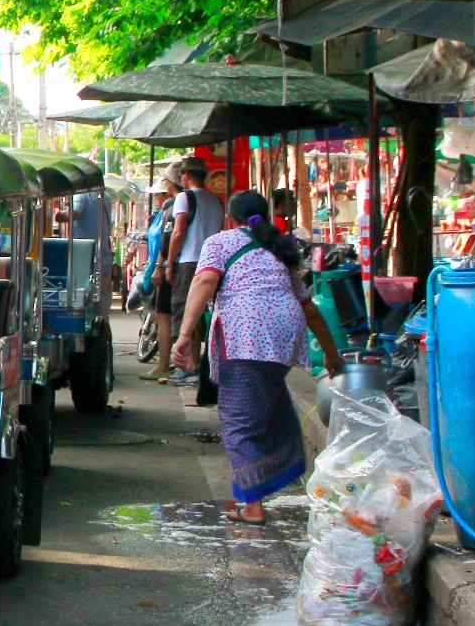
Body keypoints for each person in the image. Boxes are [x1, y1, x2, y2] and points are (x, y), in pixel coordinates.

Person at [171, 190, 346, 526]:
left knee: (239, 419)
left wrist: (184, 335)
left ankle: (252, 504)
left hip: (247, 332)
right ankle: (279, 470)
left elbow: (206, 280)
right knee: (270, 403)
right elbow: (307, 306)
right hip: (283, 332)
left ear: (230, 219)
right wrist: (331, 353)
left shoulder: (221, 242)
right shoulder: (279, 246)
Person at [165, 156, 224, 385]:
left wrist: (169, 263)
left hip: (189, 262)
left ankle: (187, 365)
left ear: (185, 176)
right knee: (202, 315)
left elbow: (178, 232)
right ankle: (197, 363)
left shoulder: (184, 197)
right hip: (213, 263)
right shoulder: (216, 200)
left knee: (184, 309)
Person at [136, 173, 180, 381]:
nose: (156, 199)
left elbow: (167, 239)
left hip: (164, 265)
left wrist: (162, 265)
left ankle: (164, 363)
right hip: (159, 263)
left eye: (158, 195)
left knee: (164, 315)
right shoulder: (163, 212)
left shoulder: (171, 209)